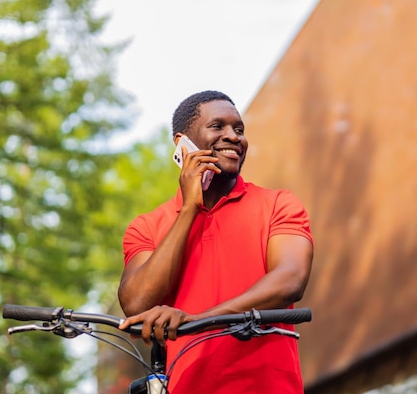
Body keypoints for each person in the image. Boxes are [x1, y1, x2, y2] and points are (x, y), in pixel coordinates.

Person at [118, 90, 314, 393]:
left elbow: (290, 279)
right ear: (182, 144)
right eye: (217, 126)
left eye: (239, 129)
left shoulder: (279, 204)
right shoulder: (147, 226)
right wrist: (189, 209)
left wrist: (199, 320)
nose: (234, 137)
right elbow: (136, 303)